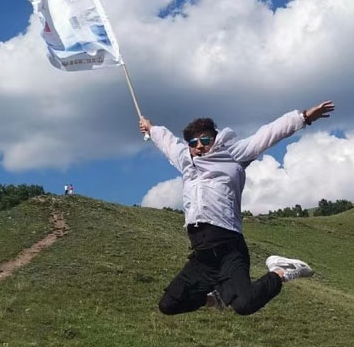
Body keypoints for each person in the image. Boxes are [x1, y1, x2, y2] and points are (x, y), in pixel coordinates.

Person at [139, 101, 335, 315]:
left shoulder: (233, 154)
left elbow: (267, 135)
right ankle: (217, 300)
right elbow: (168, 143)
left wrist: (303, 117)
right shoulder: (186, 161)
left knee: (245, 305)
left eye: (205, 140)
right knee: (168, 305)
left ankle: (282, 271)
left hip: (229, 250)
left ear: (215, 140)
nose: (199, 146)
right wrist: (151, 128)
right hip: (202, 257)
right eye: (193, 142)